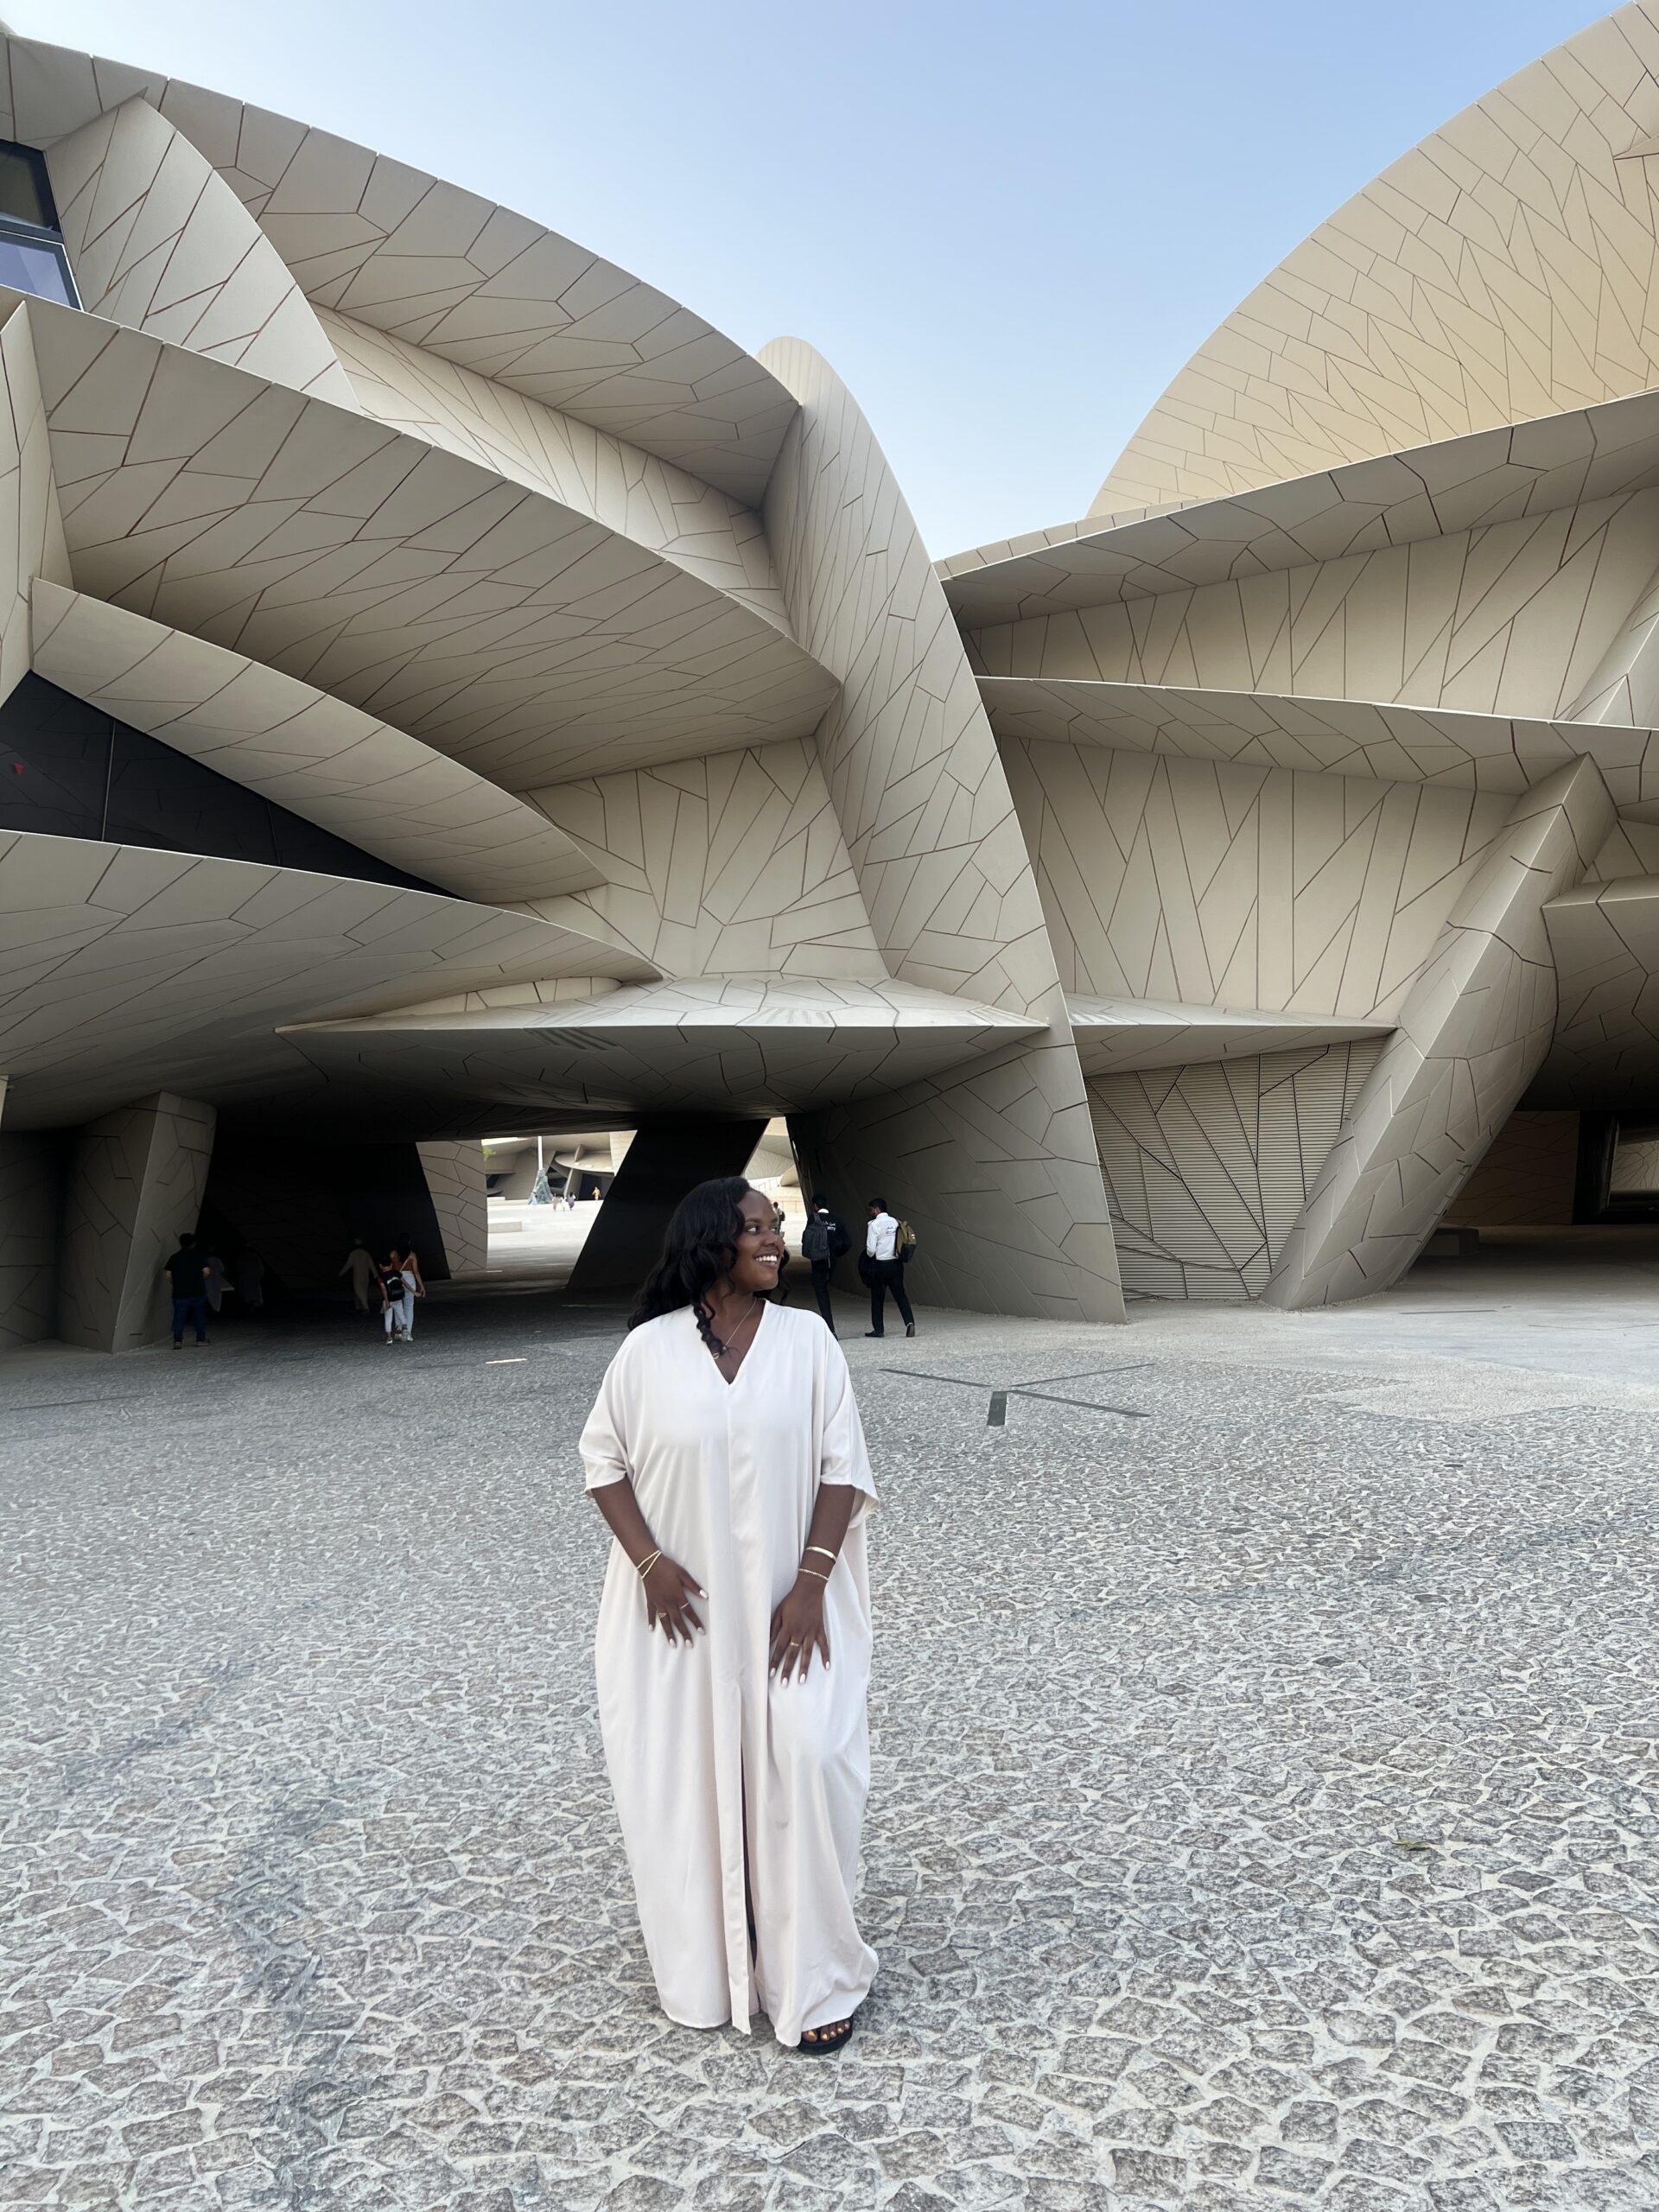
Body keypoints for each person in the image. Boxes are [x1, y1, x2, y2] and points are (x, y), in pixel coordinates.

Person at [580, 1177, 878, 2054]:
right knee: (688, 1784)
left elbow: (842, 1465)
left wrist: (814, 1582)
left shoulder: (810, 1341)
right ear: (712, 1241)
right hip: (683, 1623)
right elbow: (604, 1462)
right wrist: (650, 1565)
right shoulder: (646, 1352)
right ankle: (712, 1966)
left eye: (776, 1228)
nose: (775, 1240)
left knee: (811, 1760)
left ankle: (814, 1971)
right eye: (757, 1228)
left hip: (796, 1615)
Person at [864, 1198, 915, 1339]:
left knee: (877, 1297)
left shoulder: (873, 1225)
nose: (871, 1212)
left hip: (880, 1265)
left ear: (876, 1209)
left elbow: (871, 1250)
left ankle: (879, 1329)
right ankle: (909, 1322)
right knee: (900, 1295)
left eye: (871, 1209)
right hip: (896, 1264)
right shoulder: (895, 1222)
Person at [799, 1194, 851, 1333]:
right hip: (831, 1260)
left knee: (821, 1291)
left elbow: (807, 1238)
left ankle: (830, 1328)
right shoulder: (837, 1221)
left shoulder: (813, 1218)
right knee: (824, 1287)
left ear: (815, 1206)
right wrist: (836, 1253)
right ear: (827, 1206)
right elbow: (847, 1242)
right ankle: (829, 1326)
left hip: (818, 1260)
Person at [162, 1232, 210, 1349]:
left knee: (179, 1317)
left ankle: (177, 1341)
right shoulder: (200, 1256)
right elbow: (206, 1272)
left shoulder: (174, 1257)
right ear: (194, 1243)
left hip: (179, 1293)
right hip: (198, 1291)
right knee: (199, 1316)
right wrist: (199, 1280)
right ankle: (201, 1339)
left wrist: (177, 1283)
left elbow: (168, 1275)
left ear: (181, 1243)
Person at [378, 1250, 417, 1344]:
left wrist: (386, 1301)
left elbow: (383, 1289)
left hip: (388, 1300)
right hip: (397, 1298)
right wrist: (414, 1292)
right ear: (391, 1264)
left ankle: (389, 1337)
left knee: (388, 1318)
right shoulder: (396, 1273)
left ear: (380, 1266)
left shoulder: (381, 1277)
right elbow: (405, 1283)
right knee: (402, 1313)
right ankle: (405, 1330)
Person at [340, 1236, 376, 1313]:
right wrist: (375, 1274)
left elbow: (348, 1265)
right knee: (363, 1291)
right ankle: (361, 1306)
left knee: (360, 1291)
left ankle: (366, 1308)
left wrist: (340, 1273)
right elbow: (371, 1265)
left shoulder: (353, 1254)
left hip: (357, 1276)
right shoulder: (366, 1253)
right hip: (366, 1276)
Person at [235, 1248, 264, 1315]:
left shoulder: (250, 1257)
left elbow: (239, 1268)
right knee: (252, 1293)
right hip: (250, 1278)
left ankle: (254, 1309)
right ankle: (253, 1309)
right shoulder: (252, 1257)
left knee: (251, 1293)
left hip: (250, 1278)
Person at [202, 1249, 230, 1317]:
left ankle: (212, 1310)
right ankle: (215, 1310)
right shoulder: (217, 1260)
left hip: (209, 1280)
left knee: (210, 1294)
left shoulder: (206, 1260)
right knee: (216, 1295)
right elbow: (222, 1270)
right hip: (215, 1279)